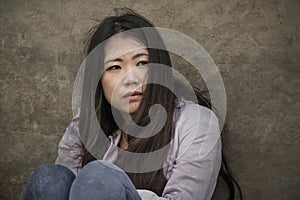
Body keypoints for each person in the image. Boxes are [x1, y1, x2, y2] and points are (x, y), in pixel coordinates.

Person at [21, 8, 241, 200]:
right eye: (115, 67)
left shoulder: (196, 123)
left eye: (142, 63)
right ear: (98, 79)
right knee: (49, 178)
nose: (131, 79)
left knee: (99, 178)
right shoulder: (85, 124)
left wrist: (115, 189)